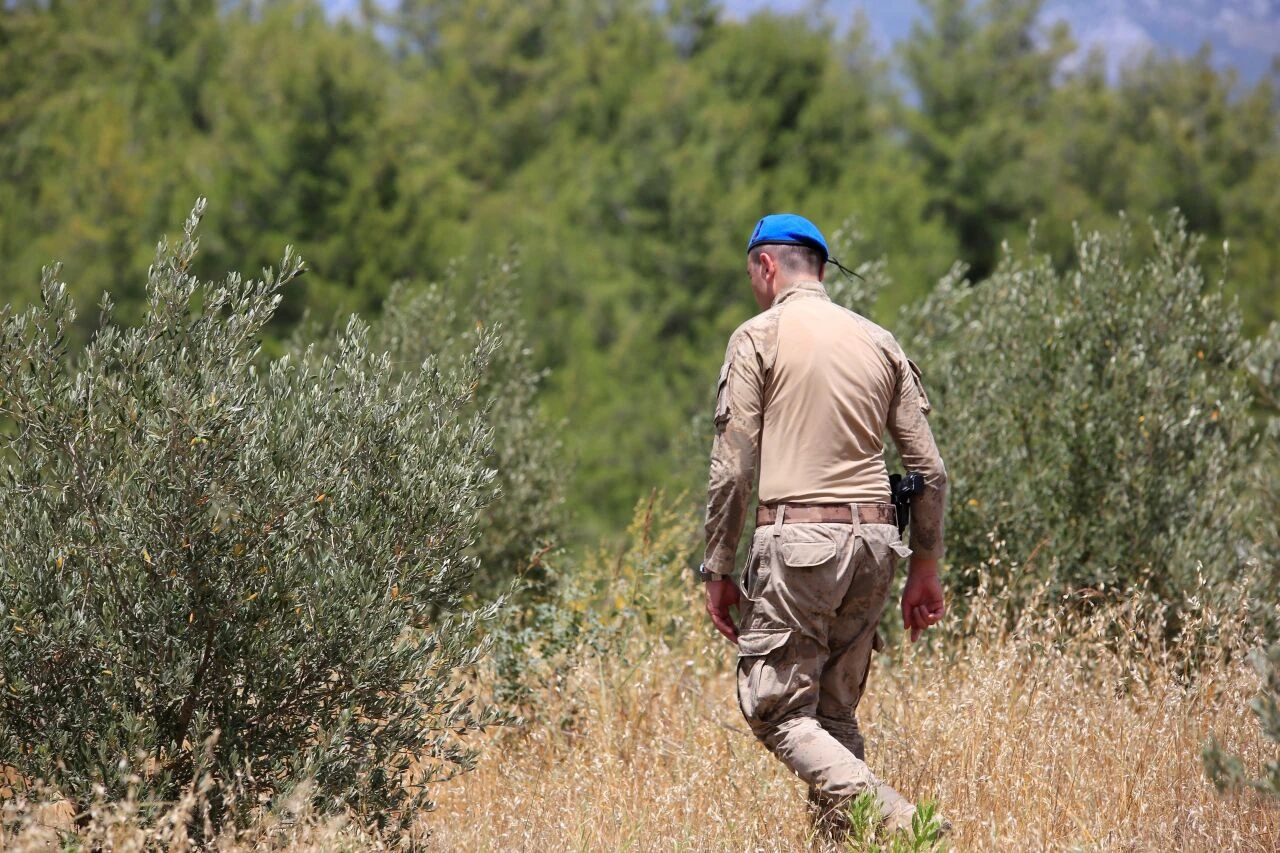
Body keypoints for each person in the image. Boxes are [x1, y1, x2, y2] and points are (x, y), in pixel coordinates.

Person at [697, 213, 948, 837]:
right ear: (820, 266)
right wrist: (925, 566)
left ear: (766, 266)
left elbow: (733, 470)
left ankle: (900, 821)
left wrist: (718, 569)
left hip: (799, 543)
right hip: (875, 545)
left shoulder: (757, 337)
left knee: (776, 711)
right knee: (832, 720)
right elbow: (931, 471)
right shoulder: (879, 340)